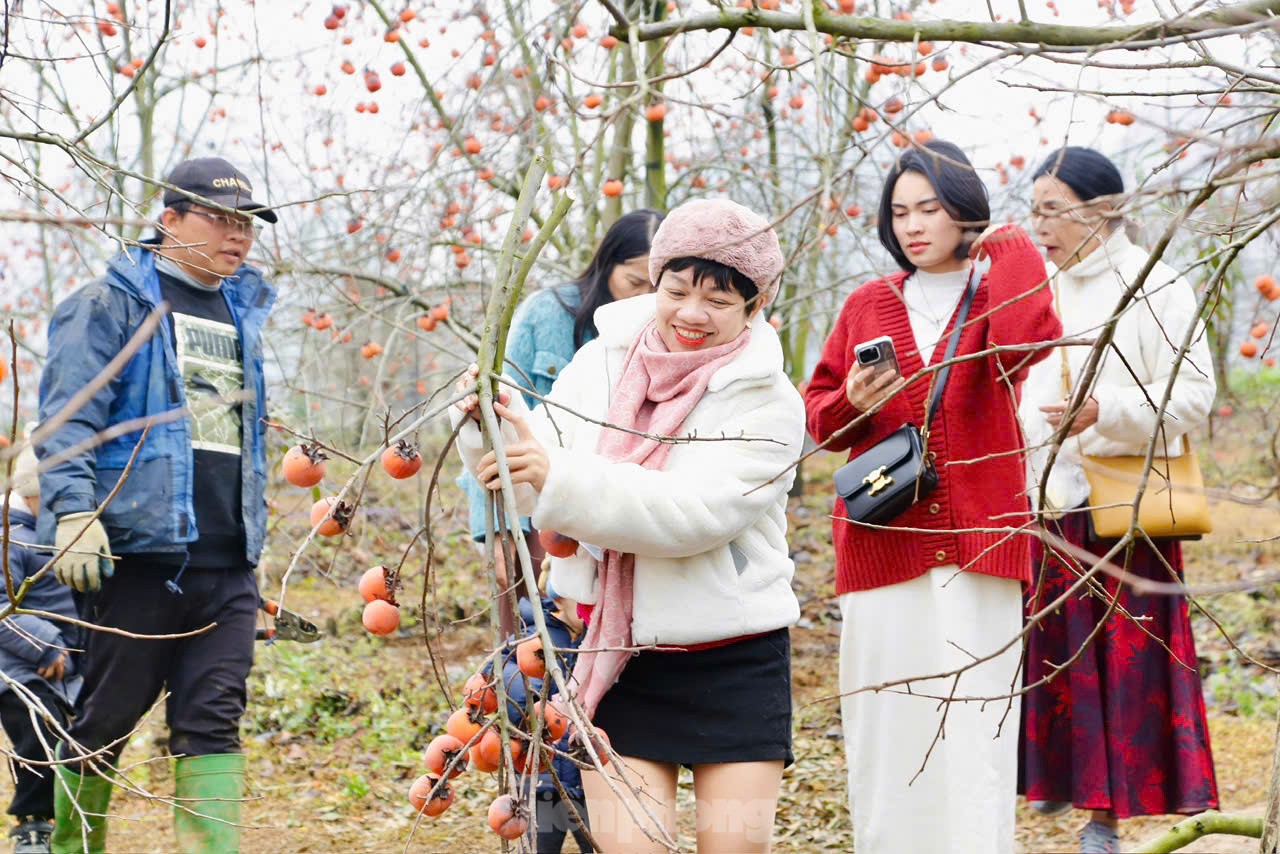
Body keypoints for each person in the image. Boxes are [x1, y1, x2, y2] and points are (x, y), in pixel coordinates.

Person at [454, 198, 805, 853]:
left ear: (755, 306)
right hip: (620, 657)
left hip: (736, 659)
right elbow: (539, 463)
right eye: (676, 289)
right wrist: (490, 427)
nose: (691, 314)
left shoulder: (770, 402)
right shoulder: (606, 361)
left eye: (719, 300)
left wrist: (557, 476)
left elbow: (690, 516)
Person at [803, 139, 1062, 853]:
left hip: (982, 544)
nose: (914, 226)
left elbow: (1026, 340)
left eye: (932, 208)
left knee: (977, 735)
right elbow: (819, 420)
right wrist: (852, 400)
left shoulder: (997, 291)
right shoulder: (867, 303)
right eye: (900, 212)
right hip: (884, 548)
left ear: (964, 214)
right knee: (890, 733)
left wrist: (1005, 243)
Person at [35, 156, 278, 854]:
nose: (238, 237)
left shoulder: (243, 312)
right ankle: (72, 846)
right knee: (104, 722)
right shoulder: (107, 305)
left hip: (227, 565)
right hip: (134, 559)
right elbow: (68, 421)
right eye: (220, 220)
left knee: (213, 724)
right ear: (168, 219)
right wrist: (74, 512)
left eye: (247, 225)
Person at [1018, 146, 1218, 854]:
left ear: (1103, 210)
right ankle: (1057, 783)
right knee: (1057, 660)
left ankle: (1105, 818)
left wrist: (1104, 412)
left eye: (1053, 209)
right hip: (1045, 506)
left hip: (1127, 511)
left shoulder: (1156, 285)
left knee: (1124, 664)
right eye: (1033, 208)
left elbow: (1195, 397)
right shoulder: (1029, 287)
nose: (1039, 224)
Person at [459, 209, 663, 567]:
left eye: (657, 287)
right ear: (607, 264)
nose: (644, 297)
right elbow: (493, 418)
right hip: (539, 514)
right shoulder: (546, 314)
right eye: (634, 282)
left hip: (618, 517)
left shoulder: (665, 333)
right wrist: (497, 529)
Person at [1, 439, 82, 854]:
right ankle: (30, 824)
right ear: (33, 496)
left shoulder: (56, 535)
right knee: (39, 728)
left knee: (73, 737)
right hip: (18, 665)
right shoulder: (10, 537)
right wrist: (46, 645)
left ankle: (71, 819)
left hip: (65, 665)